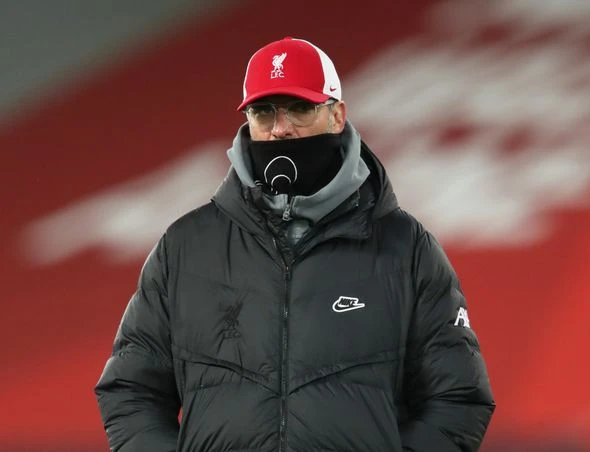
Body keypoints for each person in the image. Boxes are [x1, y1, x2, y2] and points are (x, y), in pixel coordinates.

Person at [95, 36, 495, 452]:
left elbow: (459, 397)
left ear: (337, 115)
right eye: (263, 111)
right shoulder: (184, 249)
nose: (280, 128)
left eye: (300, 108)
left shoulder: (407, 250)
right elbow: (130, 391)